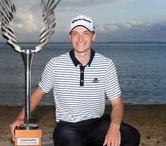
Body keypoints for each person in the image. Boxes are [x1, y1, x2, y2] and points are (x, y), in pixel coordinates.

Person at [9, 14, 140, 146]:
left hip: (97, 124)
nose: (80, 38)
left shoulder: (106, 64)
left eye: (86, 33)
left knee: (131, 135)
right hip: (67, 127)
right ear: (70, 36)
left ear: (93, 36)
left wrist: (114, 127)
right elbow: (38, 94)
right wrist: (20, 117)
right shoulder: (55, 64)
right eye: (75, 33)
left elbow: (117, 104)